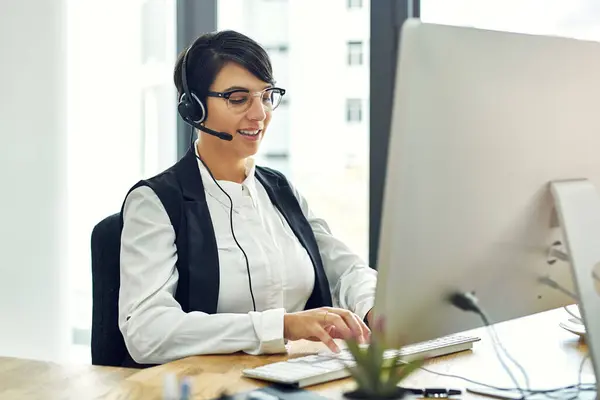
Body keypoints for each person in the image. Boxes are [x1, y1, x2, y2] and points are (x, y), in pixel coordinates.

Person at [118, 30, 378, 367]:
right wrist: (281, 326)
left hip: (300, 379)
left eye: (267, 96)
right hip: (208, 386)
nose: (260, 114)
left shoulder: (279, 190)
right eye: (238, 98)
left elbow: (345, 270)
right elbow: (146, 331)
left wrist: (374, 307)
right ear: (193, 107)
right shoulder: (156, 203)